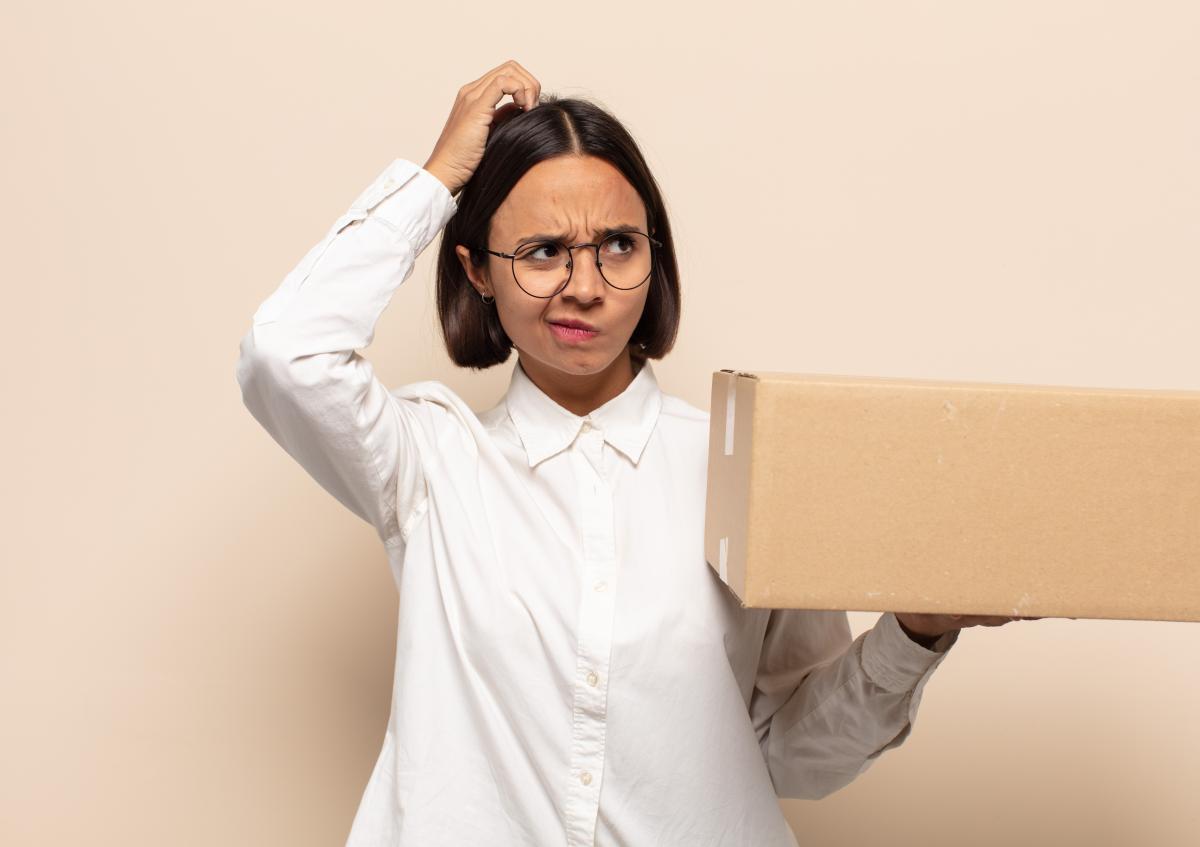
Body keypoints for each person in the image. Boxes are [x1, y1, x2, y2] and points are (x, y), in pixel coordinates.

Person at [236, 60, 1032, 847]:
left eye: (617, 244)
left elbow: (794, 757)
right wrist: (437, 179)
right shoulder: (430, 464)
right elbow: (284, 353)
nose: (585, 285)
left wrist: (915, 633)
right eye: (543, 251)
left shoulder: (748, 468)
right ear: (476, 269)